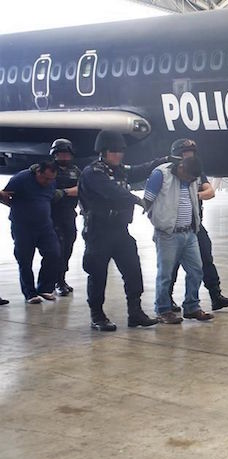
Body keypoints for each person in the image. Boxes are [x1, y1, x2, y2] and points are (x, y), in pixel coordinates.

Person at [79, 130, 170, 331]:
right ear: (102, 151)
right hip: (99, 232)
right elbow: (113, 192)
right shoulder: (94, 172)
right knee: (97, 274)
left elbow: (139, 170)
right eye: (114, 151)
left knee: (133, 271)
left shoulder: (120, 170)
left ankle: (135, 313)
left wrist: (163, 160)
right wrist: (138, 200)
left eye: (121, 151)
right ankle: (97, 315)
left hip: (120, 230)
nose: (118, 155)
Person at [167, 139, 228, 312]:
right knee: (171, 265)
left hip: (195, 225)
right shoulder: (168, 172)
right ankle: (166, 300)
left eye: (192, 152)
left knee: (206, 258)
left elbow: (210, 192)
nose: (190, 155)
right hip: (174, 227)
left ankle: (215, 295)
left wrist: (192, 195)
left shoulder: (197, 171)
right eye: (186, 152)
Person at [144, 154, 214, 324]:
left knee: (196, 270)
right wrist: (158, 220)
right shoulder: (161, 174)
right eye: (189, 177)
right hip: (168, 234)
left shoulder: (192, 178)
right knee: (165, 275)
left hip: (189, 233)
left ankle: (192, 306)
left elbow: (207, 192)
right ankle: (163, 310)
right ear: (181, 168)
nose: (191, 181)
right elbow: (147, 200)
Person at [0, 161, 61, 303]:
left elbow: (50, 197)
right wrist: (15, 206)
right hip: (23, 227)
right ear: (38, 172)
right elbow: (4, 195)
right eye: (45, 178)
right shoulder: (21, 179)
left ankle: (44, 287)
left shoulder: (51, 182)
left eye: (51, 179)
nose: (48, 182)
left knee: (54, 253)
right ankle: (30, 293)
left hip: (45, 226)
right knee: (25, 259)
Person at [49, 138, 81, 296]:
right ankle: (57, 281)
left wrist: (66, 192)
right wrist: (71, 190)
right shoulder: (49, 170)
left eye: (67, 154)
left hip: (69, 214)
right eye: (61, 154)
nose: (64, 157)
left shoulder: (75, 170)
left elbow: (83, 189)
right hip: (53, 215)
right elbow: (50, 192)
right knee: (58, 249)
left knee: (68, 246)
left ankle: (62, 278)